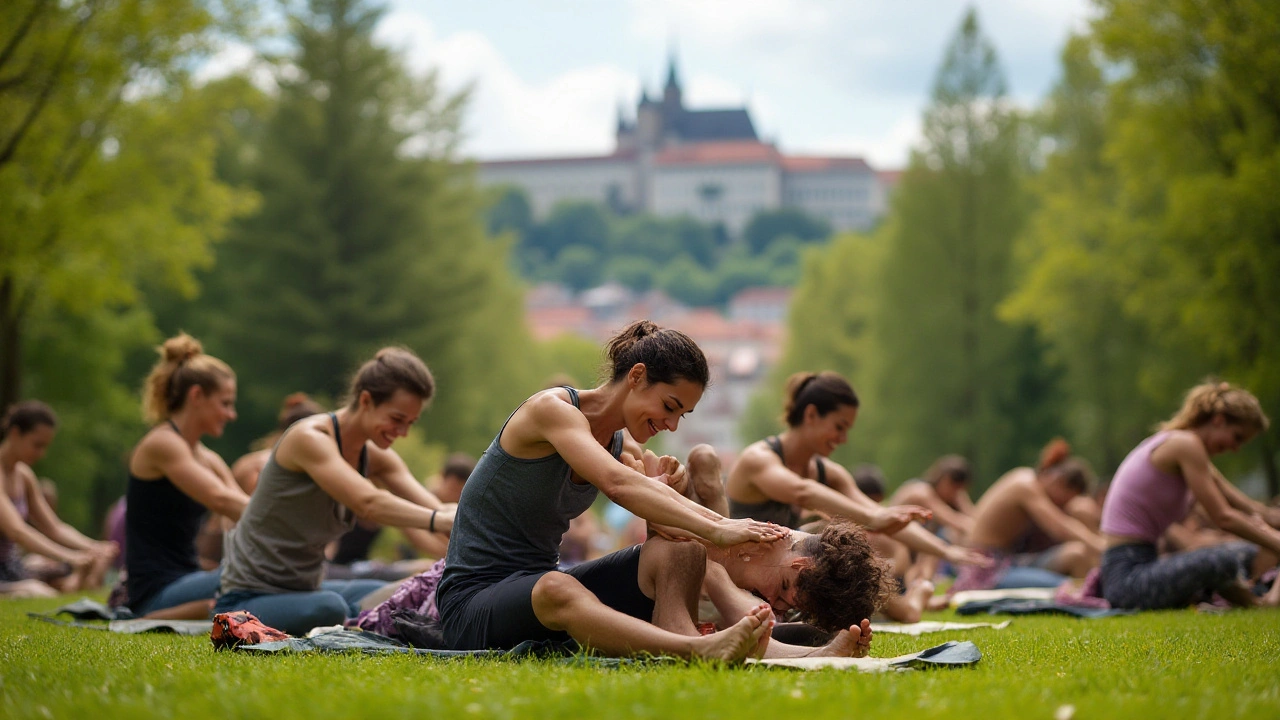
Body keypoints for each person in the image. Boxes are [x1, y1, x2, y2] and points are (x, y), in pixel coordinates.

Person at [437, 320, 788, 662]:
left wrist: (674, 491)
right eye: (669, 406)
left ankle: (694, 637)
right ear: (636, 377)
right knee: (555, 588)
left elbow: (662, 531)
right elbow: (618, 484)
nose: (671, 424)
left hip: (534, 591)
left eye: (682, 415)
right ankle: (696, 649)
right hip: (472, 604)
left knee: (680, 552)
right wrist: (720, 527)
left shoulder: (625, 447)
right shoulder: (551, 411)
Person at [216, 347, 455, 635]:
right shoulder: (309, 438)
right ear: (366, 400)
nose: (402, 432)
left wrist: (464, 527)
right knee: (329, 607)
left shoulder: (376, 456)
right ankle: (365, 616)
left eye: (410, 423)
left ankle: (367, 614)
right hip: (249, 598)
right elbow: (368, 502)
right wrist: (438, 519)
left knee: (406, 588)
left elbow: (433, 507)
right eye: (396, 418)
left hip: (308, 588)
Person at [725, 371, 988, 622]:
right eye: (839, 427)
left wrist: (946, 551)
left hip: (788, 579)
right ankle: (914, 601)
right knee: (823, 533)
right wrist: (874, 517)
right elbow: (803, 492)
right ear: (811, 414)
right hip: (742, 572)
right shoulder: (758, 459)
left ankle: (912, 603)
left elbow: (884, 521)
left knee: (845, 543)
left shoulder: (828, 473)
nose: (843, 439)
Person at [1100, 382, 1280, 610]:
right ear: (1219, 420)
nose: (1236, 448)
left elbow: (1247, 506)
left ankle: (1253, 595)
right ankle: (1256, 603)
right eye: (1237, 437)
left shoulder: (1186, 449)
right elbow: (1223, 516)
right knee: (1221, 561)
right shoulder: (1185, 445)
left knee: (1246, 553)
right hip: (1127, 579)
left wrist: (1272, 523)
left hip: (1145, 563)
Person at [125, 335, 251, 618]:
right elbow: (220, 499)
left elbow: (243, 509)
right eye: (225, 403)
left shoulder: (208, 458)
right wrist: (284, 522)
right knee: (254, 578)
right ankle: (149, 617)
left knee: (263, 575)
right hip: (156, 590)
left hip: (189, 578)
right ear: (196, 396)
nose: (232, 415)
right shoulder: (162, 444)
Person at [952, 439, 1105, 592]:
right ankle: (1087, 596)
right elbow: (1060, 527)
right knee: (1067, 585)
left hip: (1011, 562)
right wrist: (1102, 547)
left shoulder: (1033, 487)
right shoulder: (1025, 485)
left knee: (1076, 554)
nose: (1061, 505)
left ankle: (1092, 592)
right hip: (987, 569)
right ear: (1057, 481)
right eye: (1064, 500)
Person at [0, 401, 118, 597]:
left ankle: (78, 579)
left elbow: (54, 527)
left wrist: (93, 547)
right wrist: (71, 557)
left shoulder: (24, 475)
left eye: (45, 446)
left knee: (53, 570)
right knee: (38, 591)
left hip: (11, 566)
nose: (41, 453)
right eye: (37, 445)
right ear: (15, 433)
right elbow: (17, 531)